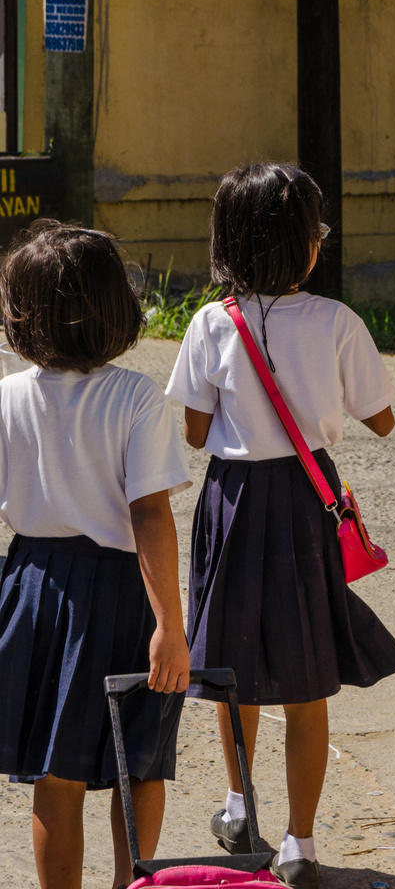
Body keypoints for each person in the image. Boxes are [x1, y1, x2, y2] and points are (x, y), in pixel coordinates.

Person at [166, 163, 395, 889]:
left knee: (230, 665)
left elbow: (193, 428)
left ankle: (238, 806)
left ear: (226, 242)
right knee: (307, 680)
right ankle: (301, 844)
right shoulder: (337, 321)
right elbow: (383, 420)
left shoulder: (212, 321)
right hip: (307, 502)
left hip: (233, 500)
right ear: (307, 244)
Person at [0, 221, 192, 889]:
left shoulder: (6, 398)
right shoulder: (135, 397)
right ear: (117, 306)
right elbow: (149, 512)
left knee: (57, 773)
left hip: (32, 586)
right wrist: (170, 622)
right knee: (139, 761)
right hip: (121, 593)